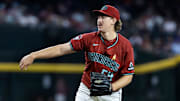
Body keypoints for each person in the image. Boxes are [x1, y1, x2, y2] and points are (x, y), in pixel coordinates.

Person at [19, 5, 135, 101]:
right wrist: (33, 55)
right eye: (99, 17)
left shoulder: (125, 45)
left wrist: (112, 87)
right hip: (87, 90)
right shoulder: (88, 38)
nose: (99, 20)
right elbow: (61, 49)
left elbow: (128, 76)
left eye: (104, 17)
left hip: (111, 93)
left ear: (113, 21)